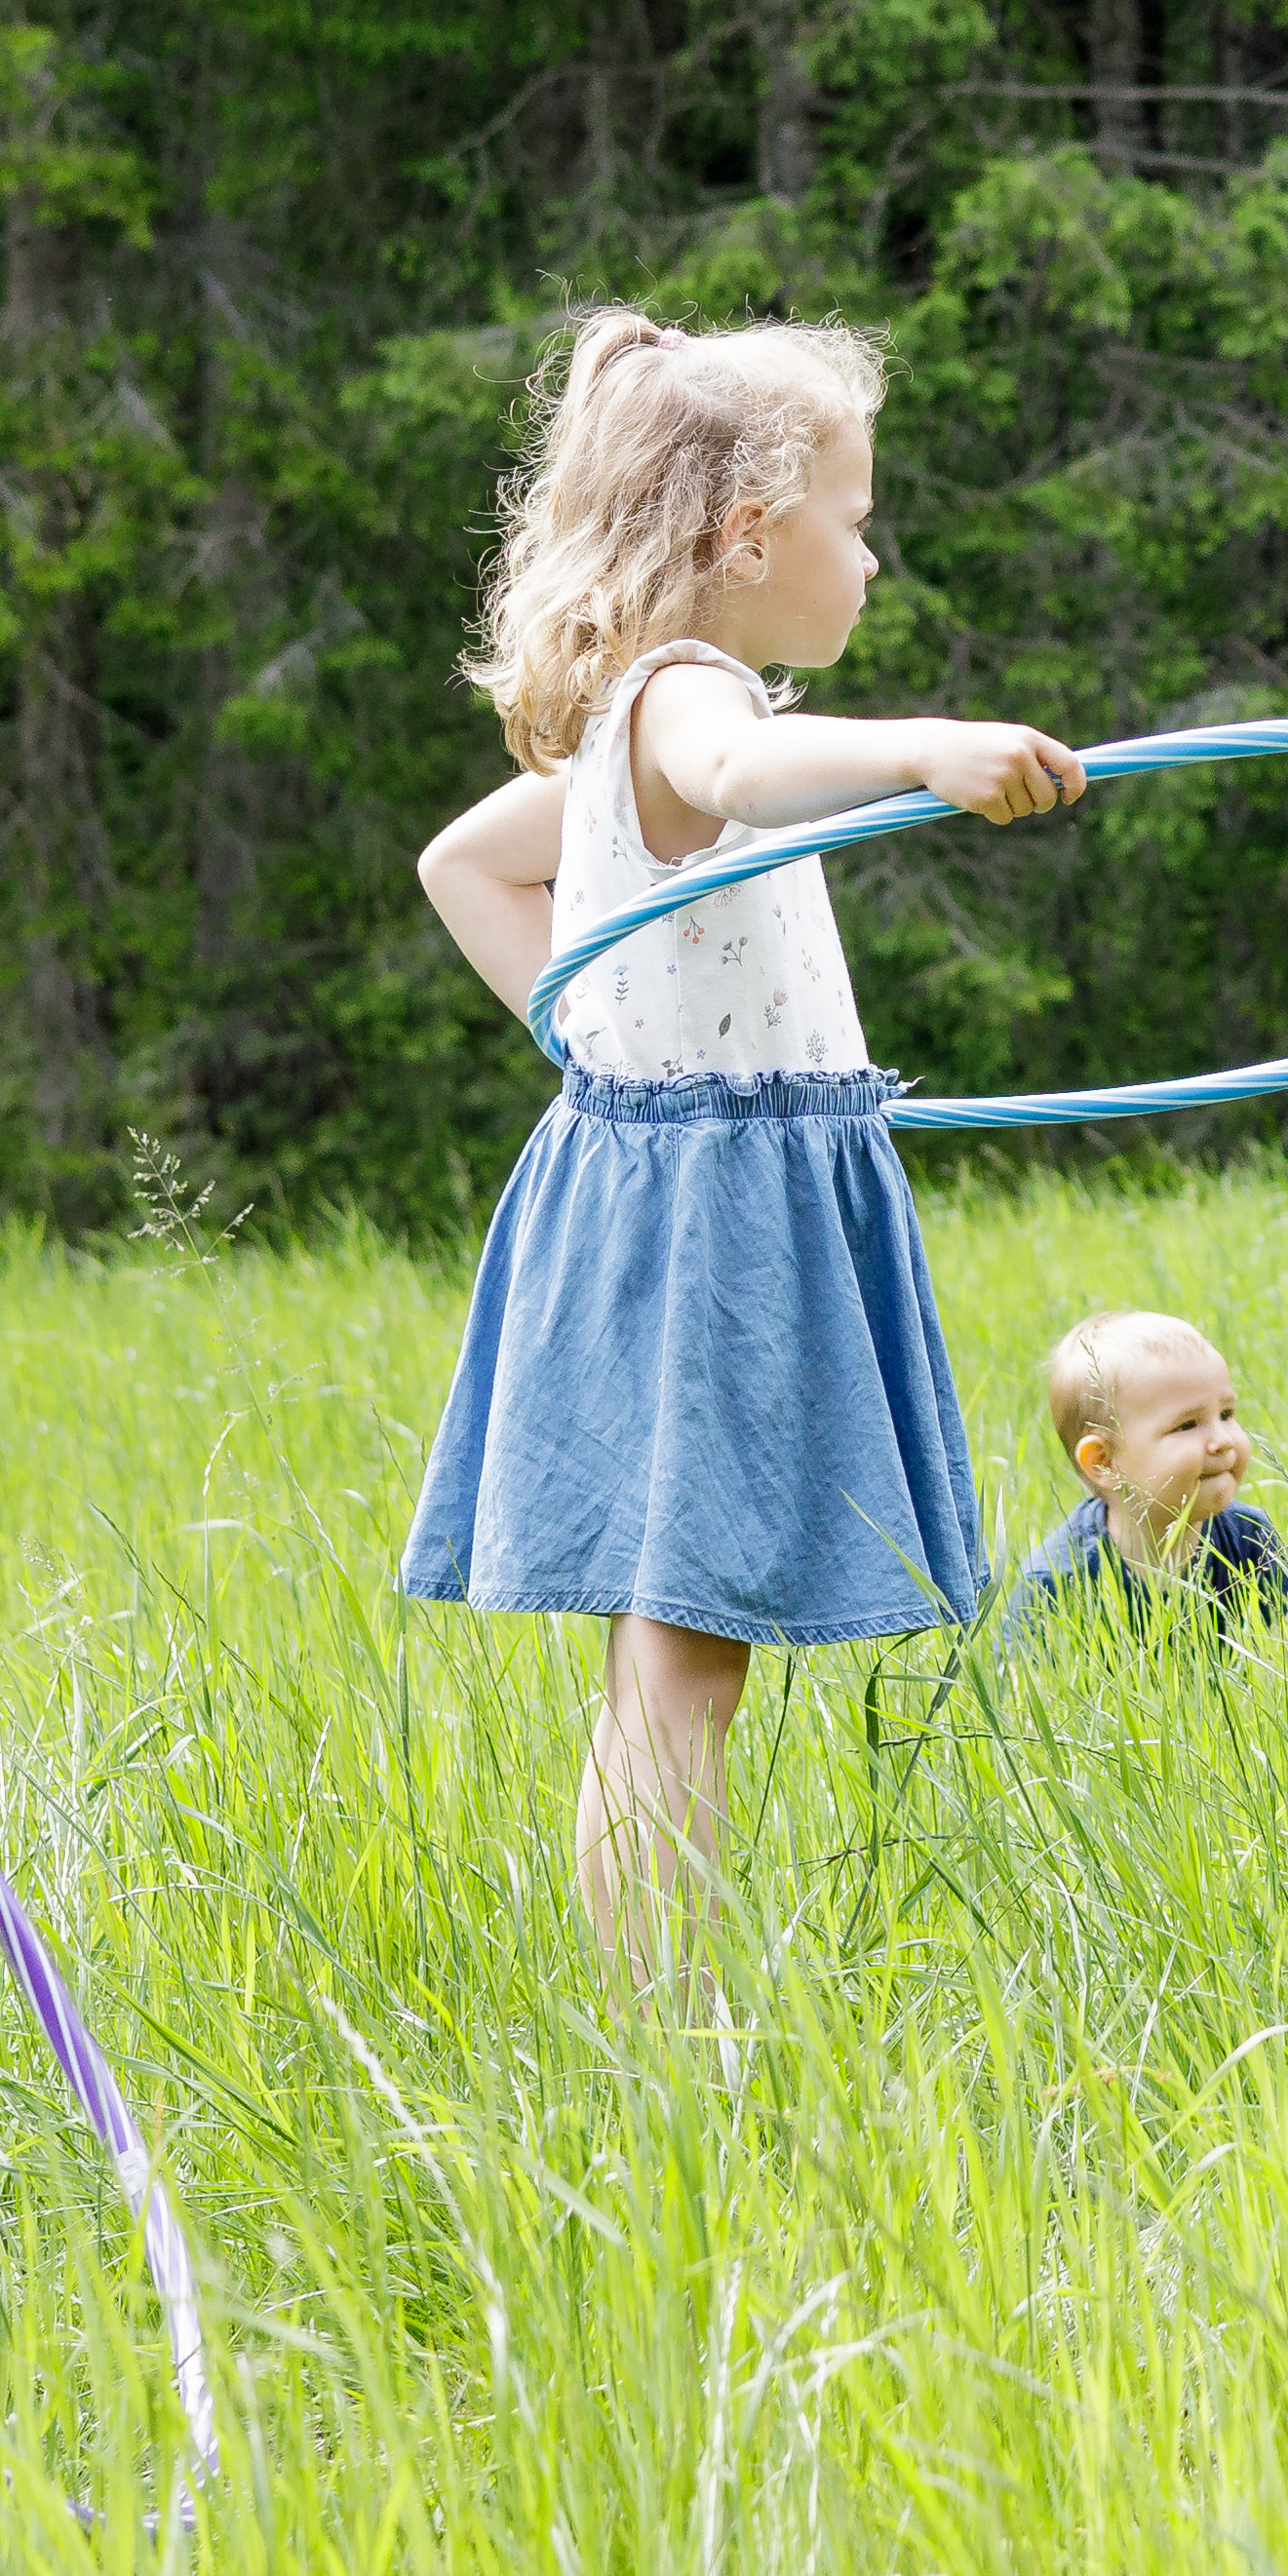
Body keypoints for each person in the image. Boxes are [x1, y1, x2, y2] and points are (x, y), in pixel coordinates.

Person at [409, 311, 1084, 1975]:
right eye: (857, 519)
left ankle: (657, 2012)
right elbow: (743, 765)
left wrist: (598, 1038)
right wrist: (922, 750)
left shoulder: (620, 728)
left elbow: (463, 866)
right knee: (685, 1658)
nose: (873, 555)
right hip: (707, 1220)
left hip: (670, 1194)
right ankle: (660, 2033)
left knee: (677, 1654)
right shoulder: (687, 701)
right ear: (750, 535)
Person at [993, 1309, 1288, 1644]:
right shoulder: (1056, 1584)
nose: (1223, 1440)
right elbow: (1024, 1678)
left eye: (1226, 1414)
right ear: (1104, 1462)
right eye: (1187, 1425)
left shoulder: (1250, 1539)